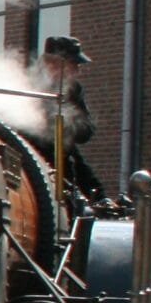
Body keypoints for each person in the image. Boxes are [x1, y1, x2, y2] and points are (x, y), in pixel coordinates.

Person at [40, 36, 107, 202]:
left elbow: (86, 131)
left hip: (66, 156)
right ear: (53, 63)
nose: (77, 71)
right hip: (40, 158)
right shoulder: (31, 87)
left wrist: (69, 125)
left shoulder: (74, 90)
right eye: (74, 65)